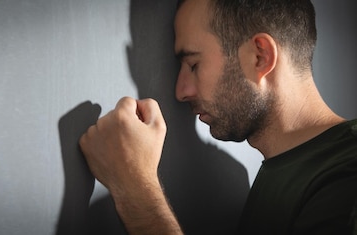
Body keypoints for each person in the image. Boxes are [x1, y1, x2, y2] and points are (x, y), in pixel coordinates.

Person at [79, 0, 357, 234]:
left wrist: (135, 189)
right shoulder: (282, 169)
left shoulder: (346, 176)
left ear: (260, 57)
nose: (180, 91)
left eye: (193, 64)